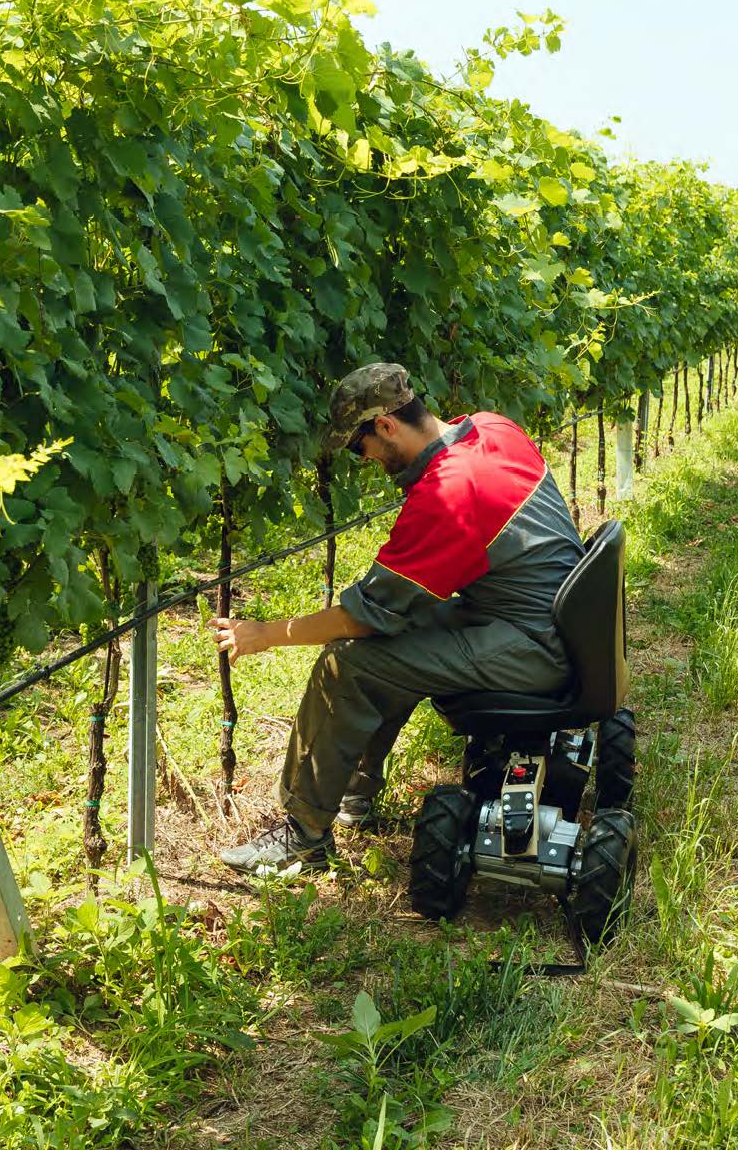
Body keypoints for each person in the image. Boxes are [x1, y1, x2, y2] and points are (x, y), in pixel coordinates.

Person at [210, 362, 584, 874]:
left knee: (349, 662)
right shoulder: (492, 428)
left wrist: (266, 635)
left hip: (532, 647)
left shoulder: (446, 494)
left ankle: (303, 833)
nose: (361, 459)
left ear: (386, 425)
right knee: (399, 638)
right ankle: (351, 797)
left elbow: (365, 617)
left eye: (357, 445)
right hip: (555, 620)